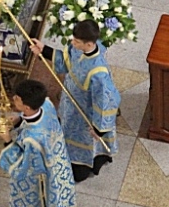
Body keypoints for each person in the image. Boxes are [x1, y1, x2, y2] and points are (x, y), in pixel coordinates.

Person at [0, 79, 77, 207]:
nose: (13, 99)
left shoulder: (33, 139)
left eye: (17, 99)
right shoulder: (46, 105)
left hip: (40, 182)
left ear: (26, 106)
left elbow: (22, 170)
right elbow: (36, 120)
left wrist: (7, 140)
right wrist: (19, 121)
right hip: (59, 165)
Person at [31, 20, 120, 182]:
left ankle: (82, 165)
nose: (72, 43)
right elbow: (68, 61)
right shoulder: (79, 50)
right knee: (66, 129)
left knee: (81, 140)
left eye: (77, 41)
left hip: (85, 115)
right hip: (70, 104)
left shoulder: (98, 73)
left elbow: (106, 100)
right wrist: (44, 50)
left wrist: (98, 128)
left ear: (89, 44)